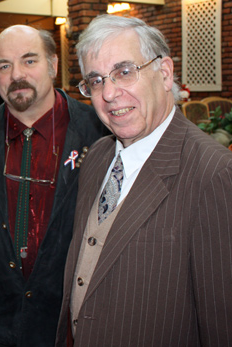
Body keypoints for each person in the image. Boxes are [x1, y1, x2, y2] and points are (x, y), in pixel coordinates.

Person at [55, 15, 232, 346]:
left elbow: (222, 325)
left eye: (124, 72)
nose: (109, 93)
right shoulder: (97, 157)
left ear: (164, 74)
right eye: (95, 80)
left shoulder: (214, 174)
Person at [0, 25, 107, 347]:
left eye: (29, 61)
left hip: (70, 322)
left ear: (53, 65)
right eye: (4, 66)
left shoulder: (98, 131)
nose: (16, 74)